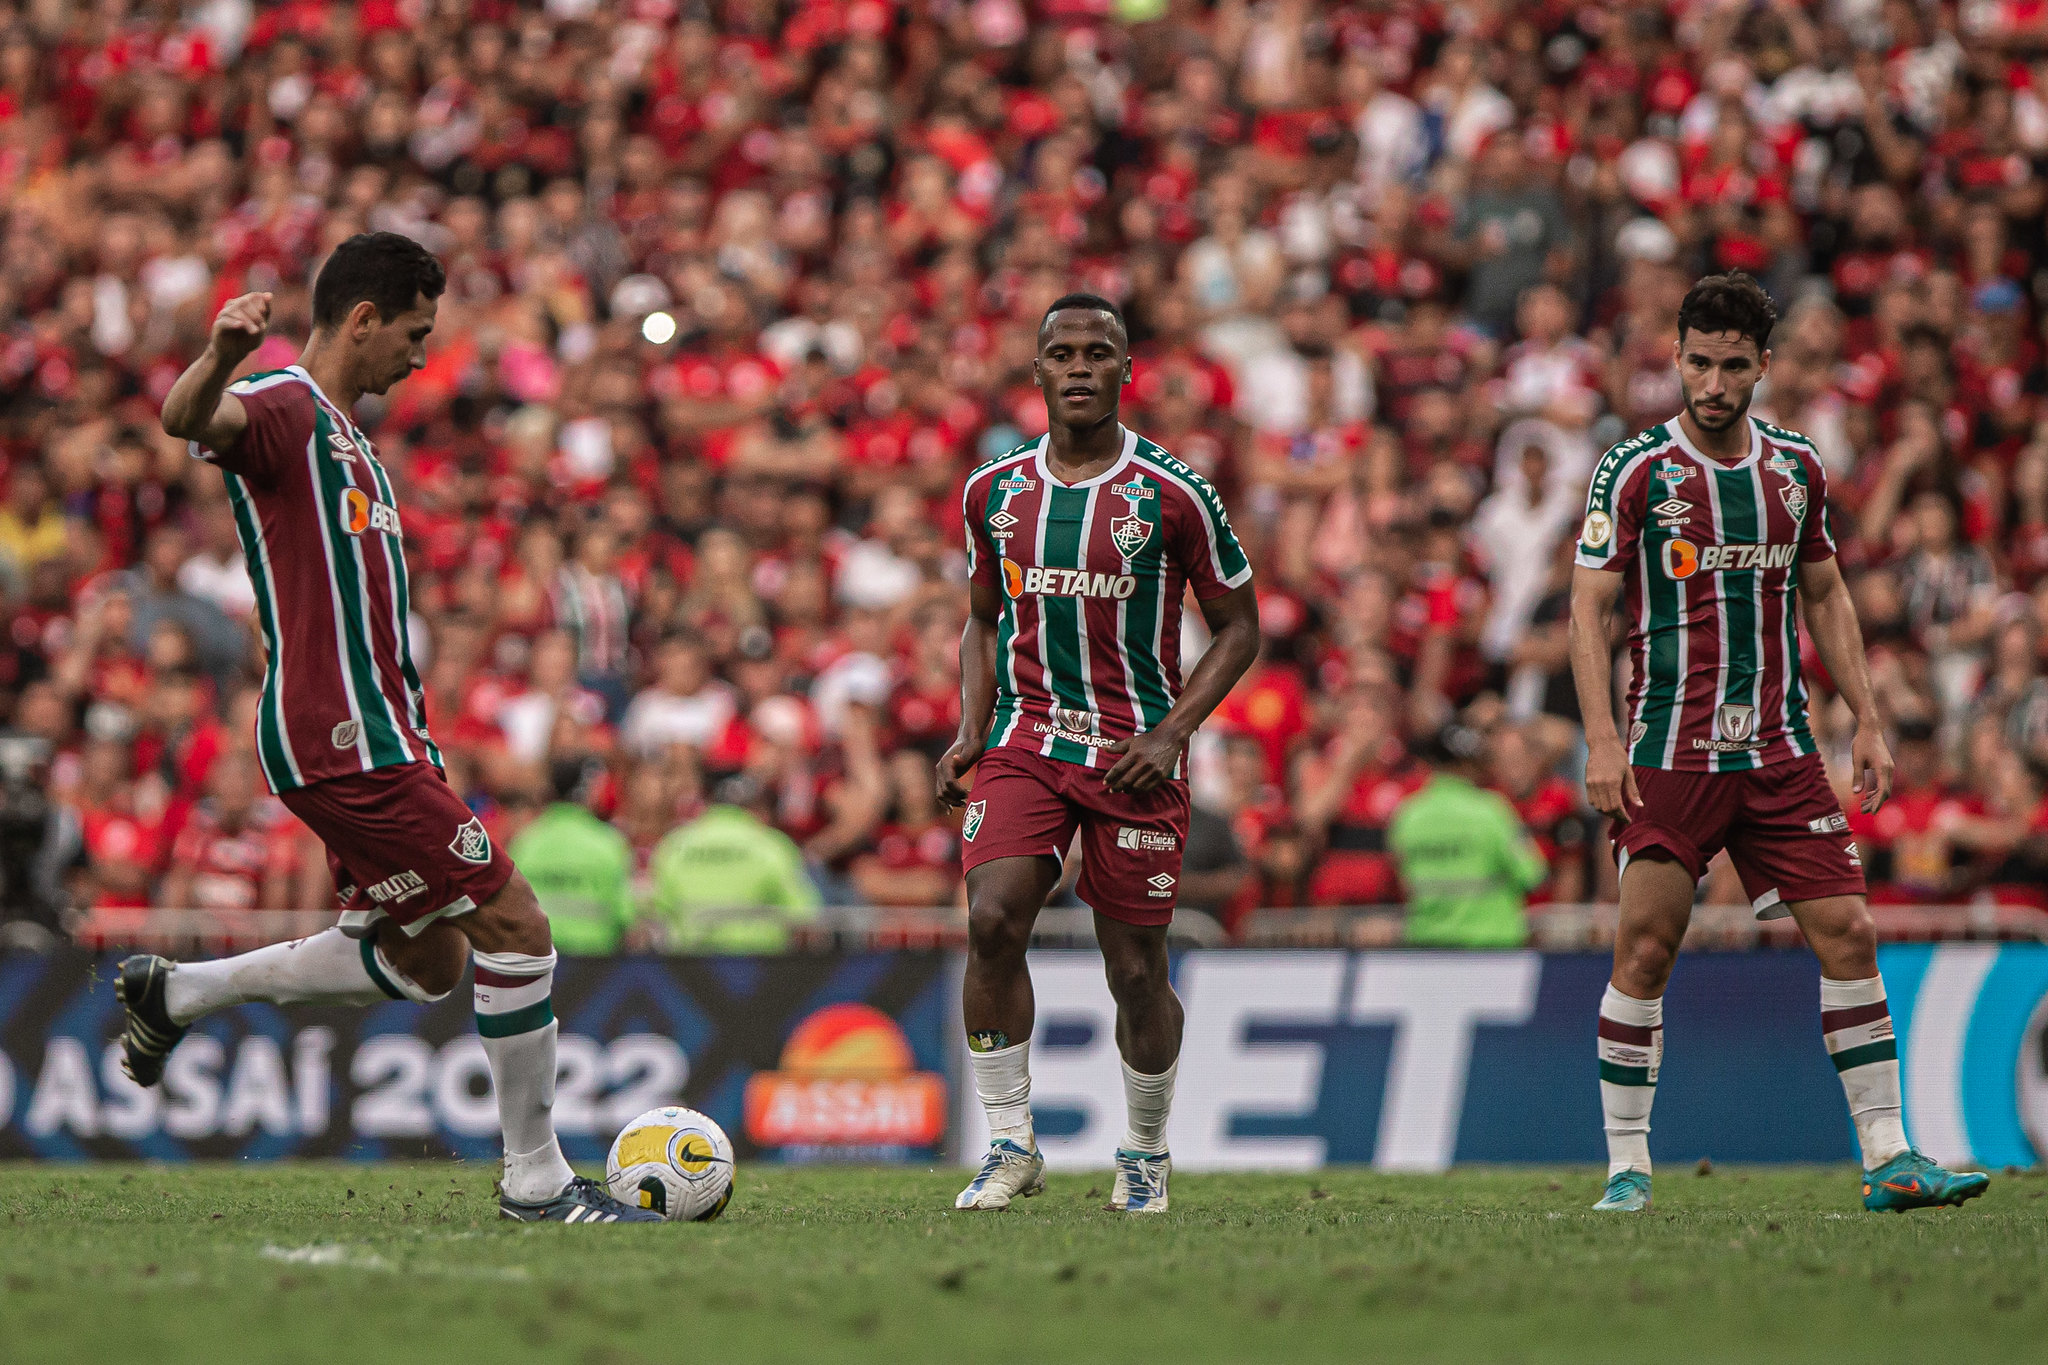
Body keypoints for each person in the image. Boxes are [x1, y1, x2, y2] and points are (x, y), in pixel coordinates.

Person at [131, 233, 655, 1224]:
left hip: (380, 735)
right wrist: (220, 355)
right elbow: (188, 417)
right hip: (342, 739)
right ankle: (536, 1181)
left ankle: (177, 995)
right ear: (363, 319)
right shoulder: (285, 405)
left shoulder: (347, 435)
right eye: (412, 334)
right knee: (517, 929)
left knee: (426, 959)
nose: (418, 359)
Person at [1568, 271, 1987, 1214]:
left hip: (1781, 752)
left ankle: (1890, 1157)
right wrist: (1601, 737)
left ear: (1762, 367)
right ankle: (1627, 1166)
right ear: (1675, 357)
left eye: (1732, 366)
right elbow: (1590, 605)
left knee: (1850, 931)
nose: (1713, 384)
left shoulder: (1795, 468)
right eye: (1698, 363)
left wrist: (1868, 717)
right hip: (1668, 750)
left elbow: (1828, 592)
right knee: (1644, 949)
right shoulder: (1633, 470)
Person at [935, 293, 1261, 1213]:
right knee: (994, 918)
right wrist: (972, 726)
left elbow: (1240, 629)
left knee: (1135, 969)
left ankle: (1145, 1150)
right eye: (1061, 352)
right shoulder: (991, 491)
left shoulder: (1173, 492)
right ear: (1036, 369)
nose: (1079, 367)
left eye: (1097, 352)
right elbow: (981, 619)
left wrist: (1171, 733)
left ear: (1128, 371)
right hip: (1028, 739)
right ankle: (1010, 1145)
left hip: (1134, 755)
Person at [1387, 723, 1545, 948]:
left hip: (1426, 944)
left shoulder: (1407, 814)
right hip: (1491, 944)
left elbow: (1401, 882)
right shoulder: (1491, 810)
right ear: (1471, 764)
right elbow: (1532, 874)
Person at [644, 773, 821, 952]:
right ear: (757, 811)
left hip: (689, 966)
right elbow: (803, 914)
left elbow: (656, 909)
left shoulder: (675, 845)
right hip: (758, 965)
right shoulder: (772, 845)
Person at [507, 756, 637, 955]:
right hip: (597, 968)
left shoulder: (525, 842)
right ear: (588, 792)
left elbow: (510, 912)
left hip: (537, 963)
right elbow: (625, 916)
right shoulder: (608, 844)